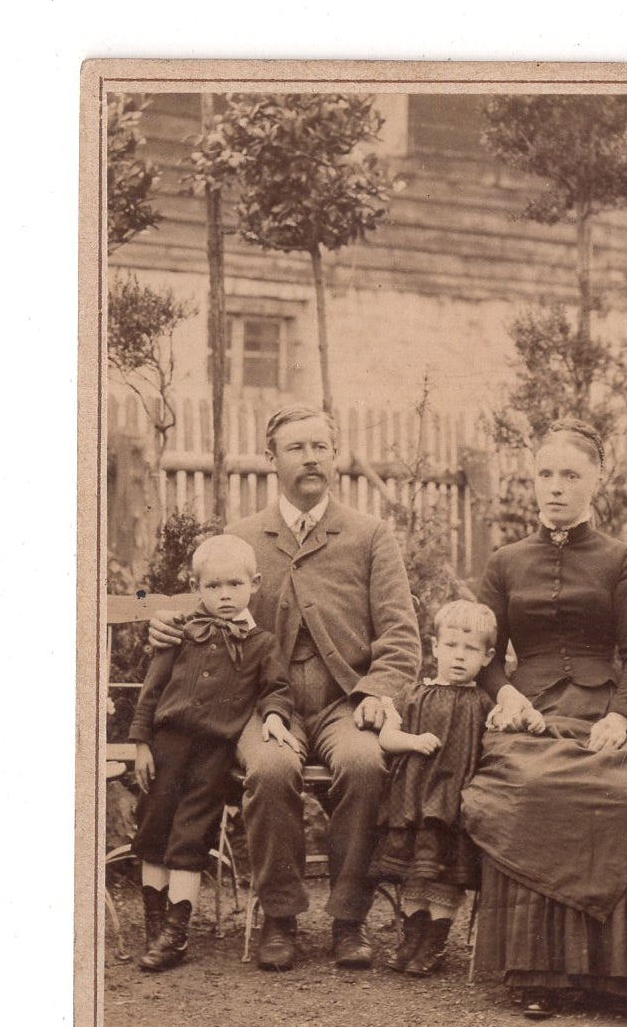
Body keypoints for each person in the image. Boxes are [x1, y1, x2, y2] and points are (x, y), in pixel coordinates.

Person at [149, 404, 421, 971]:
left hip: (346, 700)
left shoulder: (370, 536)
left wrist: (377, 690)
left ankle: (349, 920)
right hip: (263, 703)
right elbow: (208, 606)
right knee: (270, 771)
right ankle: (280, 917)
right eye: (297, 448)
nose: (312, 458)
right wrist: (165, 625)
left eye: (321, 446)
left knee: (364, 764)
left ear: (335, 454)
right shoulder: (243, 538)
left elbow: (400, 633)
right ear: (272, 459)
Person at [461, 419, 627, 1019]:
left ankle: (625, 977)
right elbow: (486, 657)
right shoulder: (505, 562)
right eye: (545, 474)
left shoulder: (619, 560)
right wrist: (504, 696)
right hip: (533, 714)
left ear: (597, 479)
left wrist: (623, 718)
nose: (556, 487)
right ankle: (542, 970)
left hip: (605, 709)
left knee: (626, 792)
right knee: (528, 784)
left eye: (571, 475)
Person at [129, 534, 297, 972]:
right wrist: (141, 742)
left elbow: (275, 688)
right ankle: (155, 923)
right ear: (196, 586)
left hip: (213, 755)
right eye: (213, 586)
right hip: (167, 748)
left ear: (254, 584)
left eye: (234, 585)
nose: (224, 595)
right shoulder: (181, 631)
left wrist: (276, 716)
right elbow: (152, 690)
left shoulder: (262, 643)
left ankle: (176, 930)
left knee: (189, 835)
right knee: (154, 829)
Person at [372, 600, 497, 977]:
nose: (459, 657)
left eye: (471, 649)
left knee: (446, 872)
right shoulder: (413, 695)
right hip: (413, 798)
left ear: (487, 656)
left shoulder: (484, 703)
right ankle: (411, 934)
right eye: (452, 646)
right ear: (435, 647)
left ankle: (435, 939)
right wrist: (412, 742)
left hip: (452, 801)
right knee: (414, 870)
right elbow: (386, 738)